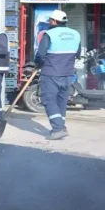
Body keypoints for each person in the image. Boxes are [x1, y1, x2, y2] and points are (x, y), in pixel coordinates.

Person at [34, 9, 81, 140]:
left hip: (51, 72)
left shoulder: (49, 34)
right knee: (61, 100)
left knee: (48, 100)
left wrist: (37, 64)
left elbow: (41, 54)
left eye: (50, 20)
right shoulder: (75, 34)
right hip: (67, 73)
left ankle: (58, 128)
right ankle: (61, 125)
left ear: (53, 21)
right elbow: (77, 53)